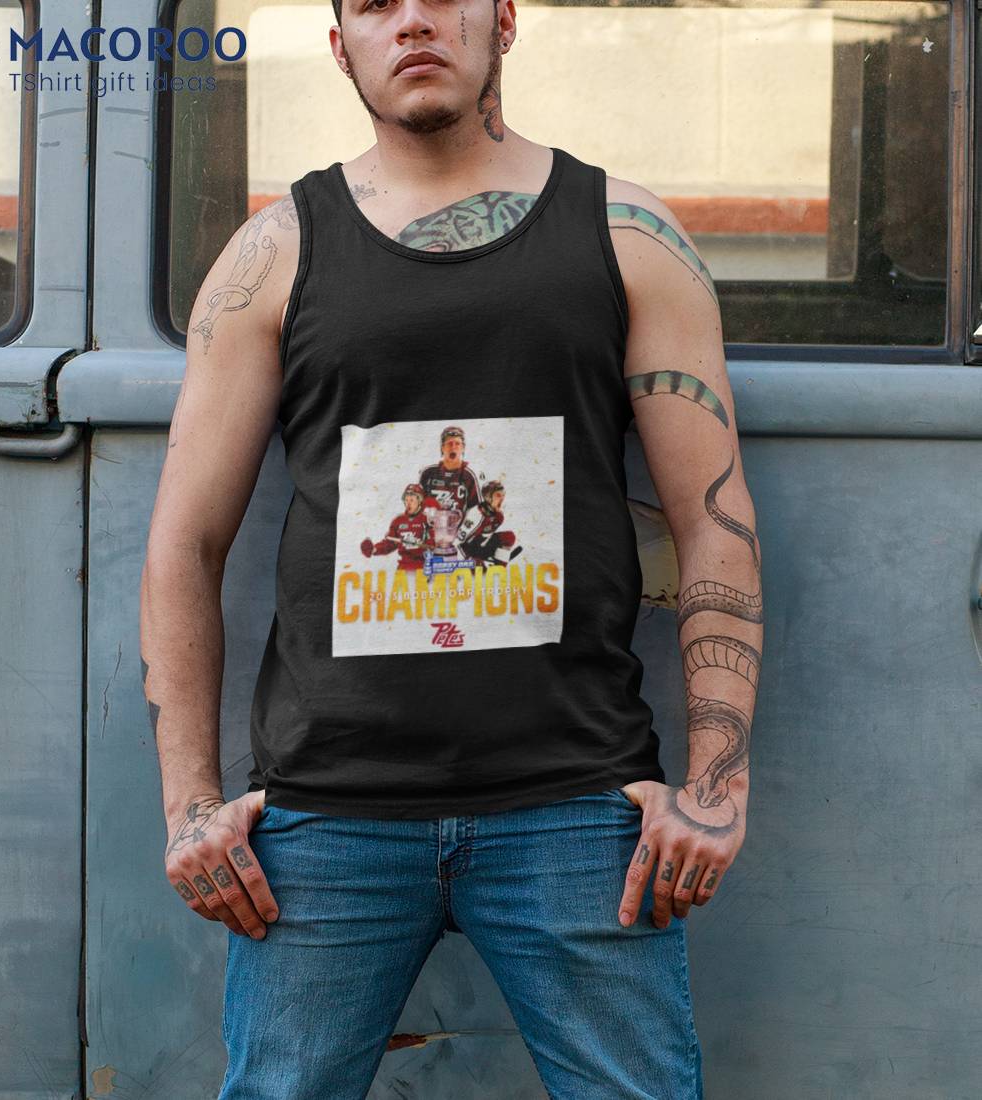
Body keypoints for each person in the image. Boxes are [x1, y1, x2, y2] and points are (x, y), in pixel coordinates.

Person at [138, 0, 763, 1093]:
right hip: (326, 814)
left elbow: (713, 517)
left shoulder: (627, 235)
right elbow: (184, 544)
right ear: (341, 44)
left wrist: (715, 787)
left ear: (502, 19)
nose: (412, 21)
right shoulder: (274, 254)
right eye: (374, 5)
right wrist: (189, 807)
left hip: (575, 802)